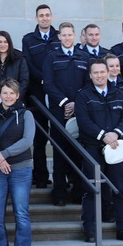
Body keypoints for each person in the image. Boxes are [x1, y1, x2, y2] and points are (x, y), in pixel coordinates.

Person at [74, 60, 123, 244]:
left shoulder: (120, 93)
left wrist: (116, 134)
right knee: (92, 188)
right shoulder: (83, 95)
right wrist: (103, 135)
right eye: (96, 72)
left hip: (117, 147)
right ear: (90, 75)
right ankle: (90, 229)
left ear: (108, 72)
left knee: (120, 188)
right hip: (93, 148)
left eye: (103, 72)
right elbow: (83, 121)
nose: (100, 75)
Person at [0, 79, 34, 246]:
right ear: (0, 95)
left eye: (12, 93)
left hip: (21, 168)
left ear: (17, 95)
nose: (8, 96)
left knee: (21, 212)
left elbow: (27, 139)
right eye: (5, 93)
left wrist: (3, 155)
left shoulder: (26, 114)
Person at [43, 22, 91, 205]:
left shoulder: (84, 57)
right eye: (63, 35)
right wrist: (64, 103)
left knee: (79, 151)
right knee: (60, 151)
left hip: (80, 112)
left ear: (74, 35)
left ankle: (79, 192)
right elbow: (48, 83)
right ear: (59, 37)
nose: (67, 38)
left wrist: (76, 104)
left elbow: (88, 83)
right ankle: (60, 193)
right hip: (58, 112)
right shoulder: (51, 57)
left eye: (70, 35)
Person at [22, 5, 59, 190]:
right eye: (41, 16)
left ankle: (64, 176)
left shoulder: (60, 36)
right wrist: (44, 80)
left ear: (51, 17)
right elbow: (28, 63)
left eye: (47, 15)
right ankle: (41, 176)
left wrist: (53, 82)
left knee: (62, 135)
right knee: (39, 138)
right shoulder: (29, 39)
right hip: (37, 93)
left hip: (58, 94)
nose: (44, 18)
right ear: (36, 18)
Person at [0, 31, 30, 96]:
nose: (2, 45)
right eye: (0, 42)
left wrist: (15, 96)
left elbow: (24, 81)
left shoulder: (19, 59)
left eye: (5, 42)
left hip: (14, 99)